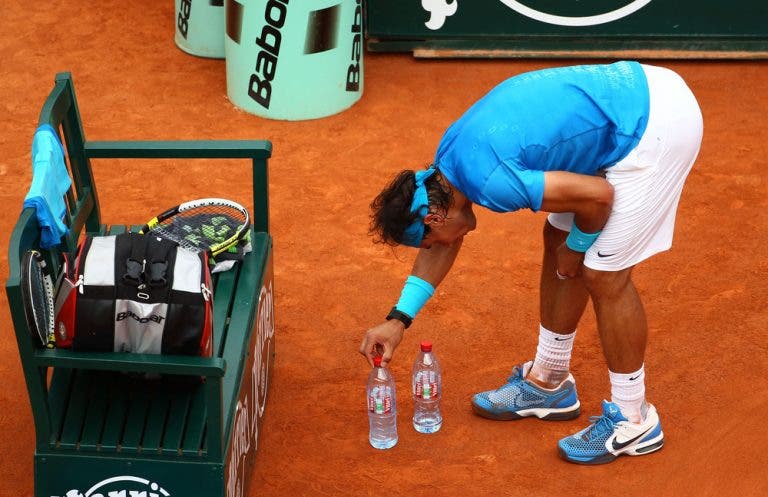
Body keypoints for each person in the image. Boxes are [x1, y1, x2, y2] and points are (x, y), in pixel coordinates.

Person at [358, 61, 703, 465]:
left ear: (433, 217)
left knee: (601, 272)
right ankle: (549, 381)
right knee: (557, 235)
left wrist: (579, 247)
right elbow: (447, 239)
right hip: (630, 96)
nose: (439, 246)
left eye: (430, 240)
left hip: (653, 126)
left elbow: (597, 197)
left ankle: (634, 419)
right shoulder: (449, 166)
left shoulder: (491, 183)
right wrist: (398, 319)